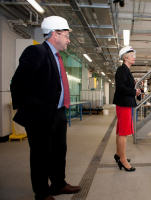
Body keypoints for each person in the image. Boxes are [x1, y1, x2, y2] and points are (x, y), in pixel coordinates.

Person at [10, 16, 81, 200]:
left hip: (57, 114)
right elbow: (17, 84)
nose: (68, 39)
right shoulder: (36, 52)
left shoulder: (56, 57)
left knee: (59, 151)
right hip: (40, 117)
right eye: (66, 35)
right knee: (41, 155)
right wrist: (30, 113)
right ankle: (41, 193)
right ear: (54, 34)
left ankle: (58, 184)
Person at [113, 46, 141, 172]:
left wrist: (136, 92)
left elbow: (125, 87)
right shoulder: (122, 70)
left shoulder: (126, 70)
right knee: (123, 133)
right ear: (125, 57)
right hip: (124, 104)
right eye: (132, 55)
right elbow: (121, 88)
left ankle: (119, 155)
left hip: (125, 103)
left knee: (121, 131)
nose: (134, 56)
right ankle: (123, 160)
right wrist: (134, 91)